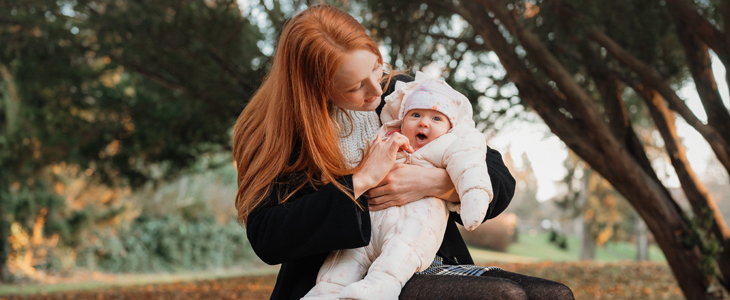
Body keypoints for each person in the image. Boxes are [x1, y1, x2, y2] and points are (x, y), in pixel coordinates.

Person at [232, 4, 574, 300]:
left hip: (424, 256)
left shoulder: (405, 94)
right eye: (354, 87)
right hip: (341, 276)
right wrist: (360, 180)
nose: (374, 90)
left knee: (554, 295)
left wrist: (435, 182)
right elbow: (268, 237)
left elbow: (495, 172)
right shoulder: (275, 132)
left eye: (376, 68)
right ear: (315, 89)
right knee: (503, 297)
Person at [304, 74, 494, 300]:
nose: (424, 123)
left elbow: (470, 167)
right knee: (343, 261)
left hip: (412, 226)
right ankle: (324, 293)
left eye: (436, 119)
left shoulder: (449, 145)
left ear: (449, 127)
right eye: (416, 115)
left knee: (398, 257)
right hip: (368, 227)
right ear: (402, 120)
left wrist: (468, 194)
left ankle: (379, 290)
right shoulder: (387, 137)